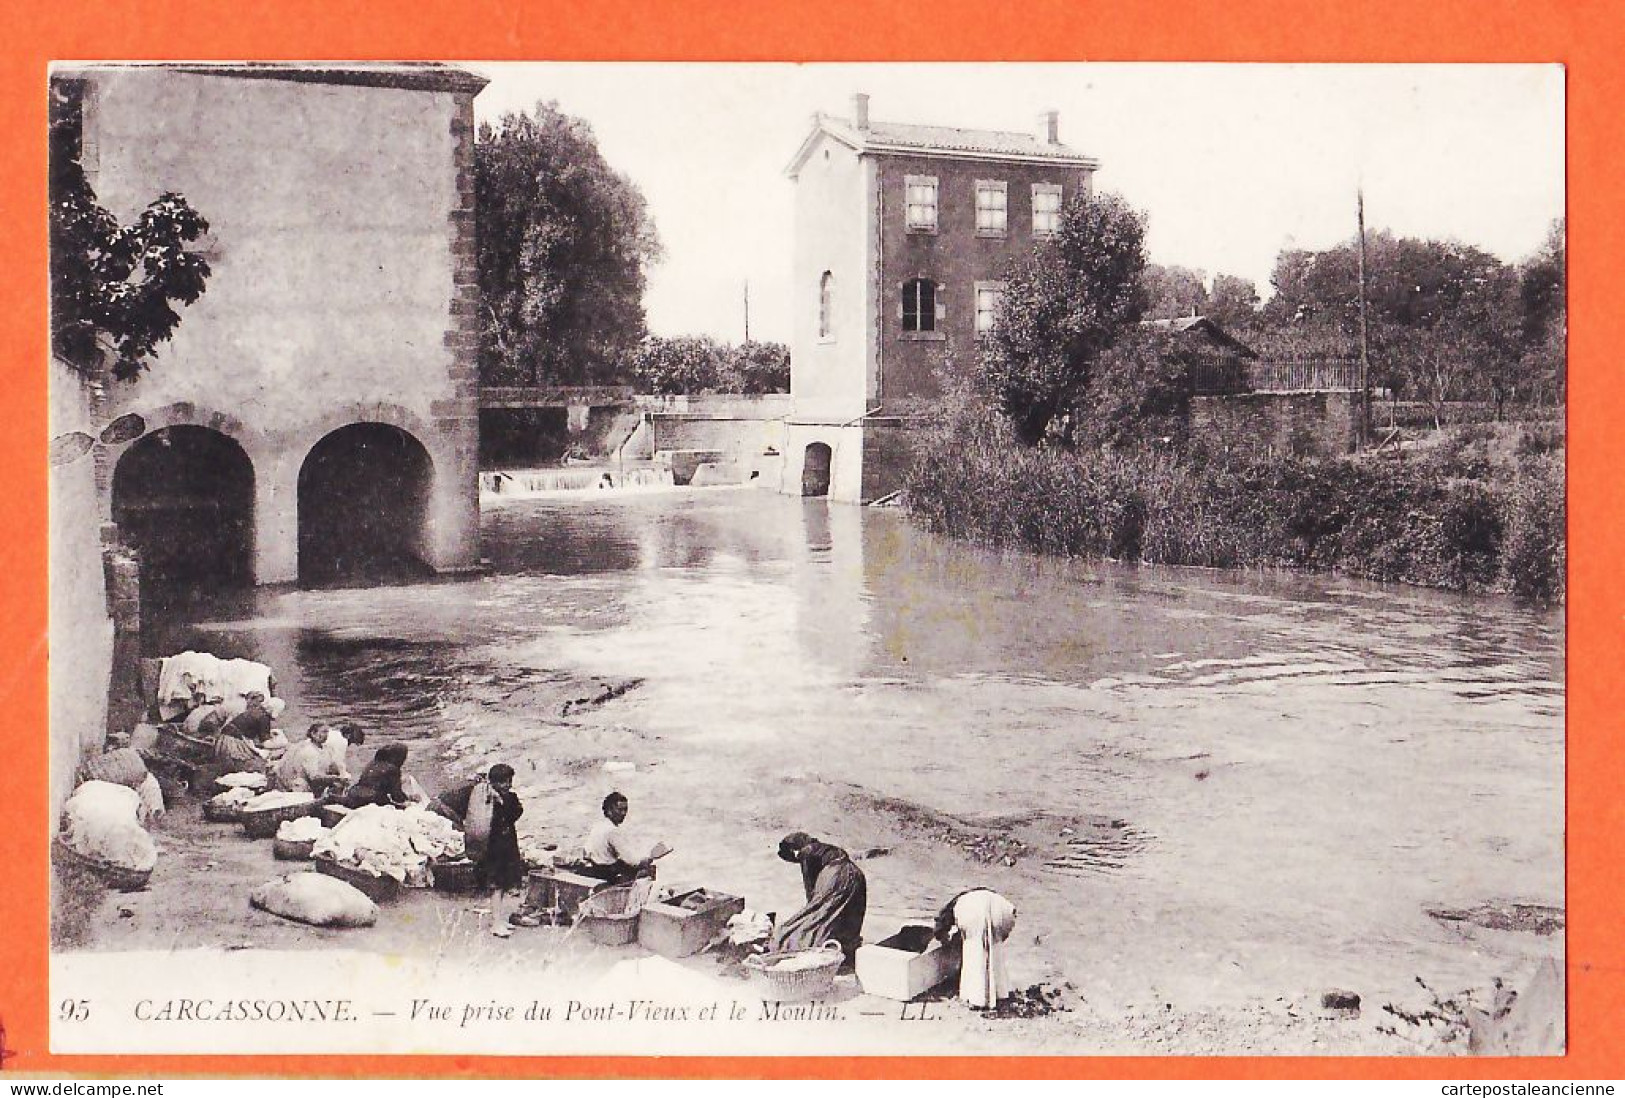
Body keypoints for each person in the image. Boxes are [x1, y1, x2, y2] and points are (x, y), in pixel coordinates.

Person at [770, 832, 868, 965]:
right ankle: (846, 948)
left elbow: (810, 886)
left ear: (794, 848)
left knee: (819, 918)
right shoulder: (826, 848)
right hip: (856, 875)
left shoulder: (807, 851)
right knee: (847, 914)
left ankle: (808, 945)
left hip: (836, 877)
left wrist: (810, 911)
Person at [934, 888, 1018, 1010]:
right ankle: (1001, 993)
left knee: (974, 951)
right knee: (995, 950)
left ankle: (976, 998)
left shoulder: (956, 908)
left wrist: (944, 940)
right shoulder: (966, 898)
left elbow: (941, 926)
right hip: (1004, 909)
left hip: (975, 912)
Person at [578, 792, 660, 885]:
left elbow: (586, 852)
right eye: (620, 810)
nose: (623, 813)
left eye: (625, 809)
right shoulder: (613, 831)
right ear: (609, 810)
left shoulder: (598, 826)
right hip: (606, 873)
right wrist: (647, 859)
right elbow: (632, 861)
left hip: (594, 867)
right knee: (648, 870)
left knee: (623, 864)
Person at [272, 724, 346, 796]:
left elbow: (332, 764)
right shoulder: (309, 751)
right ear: (313, 734)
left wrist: (339, 772)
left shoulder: (326, 748)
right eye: (323, 732)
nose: (326, 735)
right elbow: (314, 777)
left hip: (316, 781)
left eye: (327, 732)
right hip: (302, 785)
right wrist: (335, 778)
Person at [211, 691, 274, 770]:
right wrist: (283, 744)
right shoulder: (263, 717)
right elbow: (265, 742)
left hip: (223, 741)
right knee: (252, 765)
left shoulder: (249, 712)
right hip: (232, 744)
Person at [339, 743, 409, 808]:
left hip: (354, 794)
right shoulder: (393, 770)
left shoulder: (372, 763)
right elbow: (396, 795)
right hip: (371, 799)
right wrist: (409, 799)